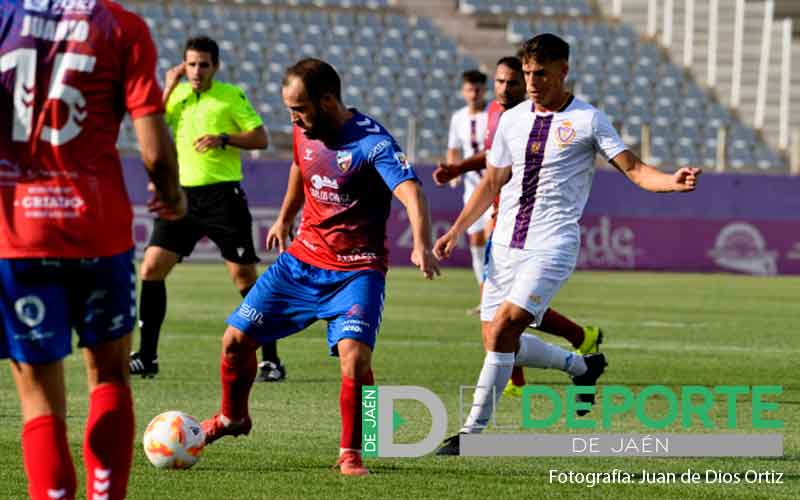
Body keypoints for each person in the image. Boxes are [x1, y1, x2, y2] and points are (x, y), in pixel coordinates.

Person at [433, 34, 701, 455]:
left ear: (563, 71)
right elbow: (491, 182)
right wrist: (455, 229)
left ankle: (471, 434)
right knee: (497, 342)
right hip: (502, 246)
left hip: (552, 244)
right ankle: (582, 366)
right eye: (527, 73)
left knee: (505, 328)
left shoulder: (589, 120)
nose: (532, 82)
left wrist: (672, 181)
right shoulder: (513, 119)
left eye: (541, 73)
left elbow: (634, 169)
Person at [199, 58, 440, 476]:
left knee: (354, 358)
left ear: (327, 101)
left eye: (300, 109)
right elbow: (300, 165)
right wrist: (285, 216)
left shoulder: (373, 144)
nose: (294, 119)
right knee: (235, 340)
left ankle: (352, 451)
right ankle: (233, 418)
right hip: (301, 261)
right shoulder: (304, 130)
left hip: (356, 271)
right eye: (291, 110)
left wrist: (420, 244)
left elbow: (412, 192)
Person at [0, 2, 186, 499]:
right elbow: (152, 144)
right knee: (109, 376)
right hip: (97, 229)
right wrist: (171, 195)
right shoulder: (122, 26)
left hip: (20, 235)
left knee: (39, 400)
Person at [434, 56, 604, 398]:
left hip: (521, 226)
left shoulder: (529, 116)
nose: (506, 88)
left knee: (504, 318)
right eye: (501, 82)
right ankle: (579, 349)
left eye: (512, 82)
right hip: (501, 217)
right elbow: (494, 163)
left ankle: (517, 381)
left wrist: (460, 168)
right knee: (500, 320)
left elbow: (497, 166)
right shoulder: (505, 115)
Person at [129, 36, 284, 383]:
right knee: (151, 268)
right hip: (181, 198)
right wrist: (168, 85)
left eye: (203, 64)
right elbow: (152, 122)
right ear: (183, 66)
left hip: (222, 199)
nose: (197, 71)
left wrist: (224, 138)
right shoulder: (178, 96)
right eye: (191, 64)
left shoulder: (230, 96)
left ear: (216, 66)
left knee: (244, 279)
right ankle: (147, 357)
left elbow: (260, 138)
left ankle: (271, 360)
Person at [445, 70, 491, 305]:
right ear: (463, 91)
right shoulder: (458, 118)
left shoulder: (494, 114)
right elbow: (453, 148)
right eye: (470, 89)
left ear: (485, 90)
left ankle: (497, 296)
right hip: (472, 189)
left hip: (495, 186)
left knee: (492, 238)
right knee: (476, 242)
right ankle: (485, 294)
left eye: (478, 89)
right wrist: (454, 170)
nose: (474, 94)